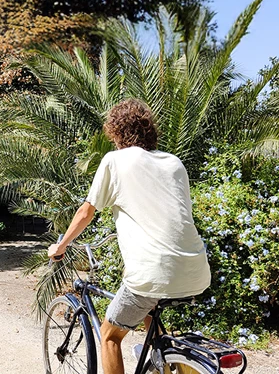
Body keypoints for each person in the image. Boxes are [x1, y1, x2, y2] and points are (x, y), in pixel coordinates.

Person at [47, 99, 211, 374]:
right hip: (196, 269)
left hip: (152, 273)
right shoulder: (174, 163)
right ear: (150, 131)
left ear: (115, 132)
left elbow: (87, 212)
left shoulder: (115, 160)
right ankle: (163, 363)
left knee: (110, 336)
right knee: (149, 307)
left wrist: (61, 245)